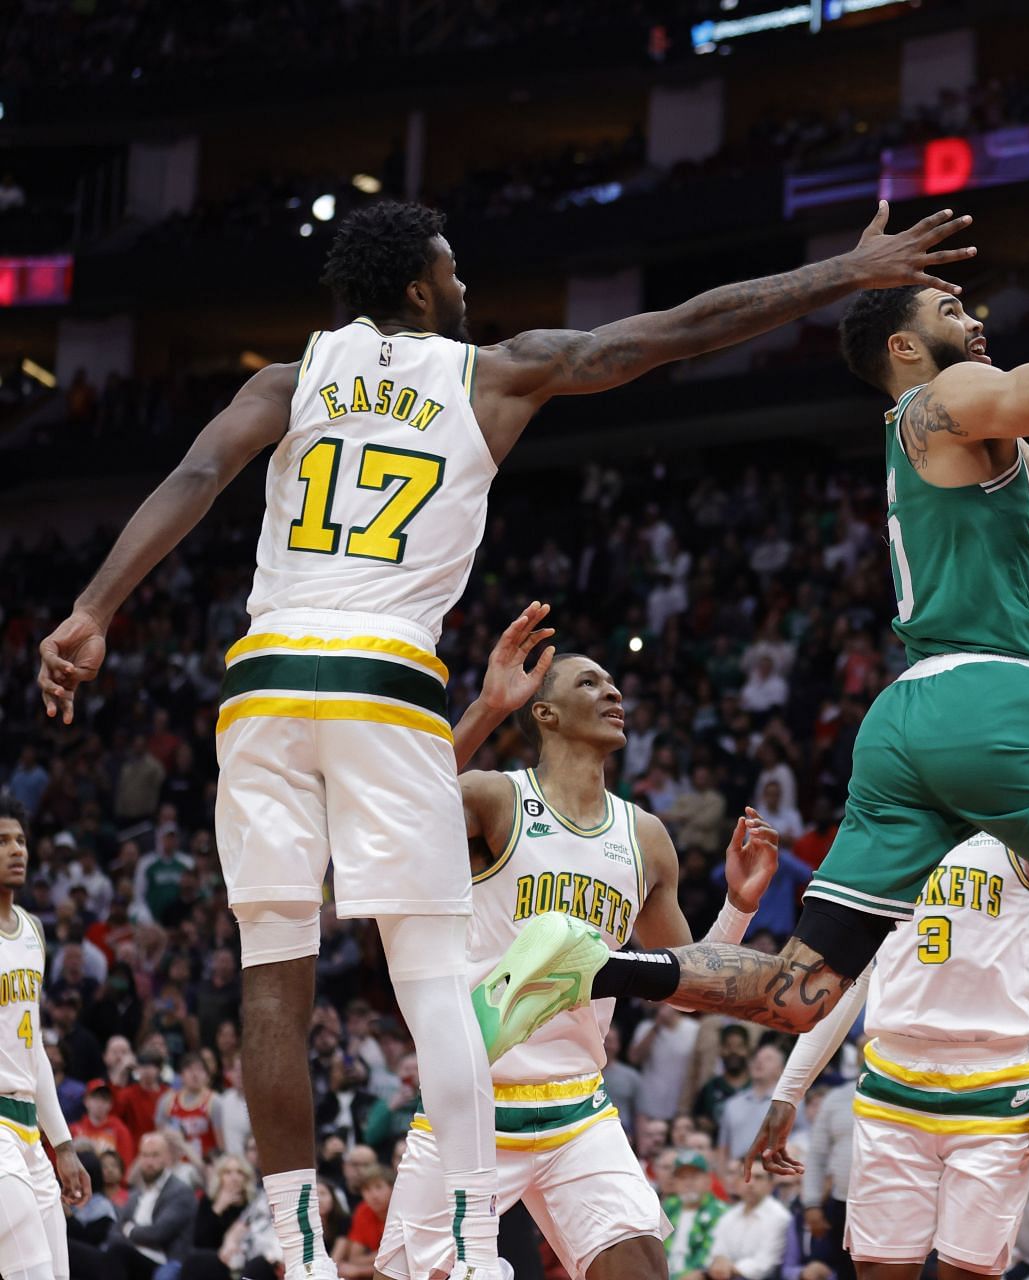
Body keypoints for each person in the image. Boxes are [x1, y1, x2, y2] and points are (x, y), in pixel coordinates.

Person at [36, 198, 969, 1280]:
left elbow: (197, 479)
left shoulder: (284, 382)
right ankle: (475, 1239)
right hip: (382, 671)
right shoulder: (492, 371)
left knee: (271, 973)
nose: (467, 287)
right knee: (435, 976)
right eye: (455, 271)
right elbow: (667, 332)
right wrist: (841, 276)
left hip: (265, 674)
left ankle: (290, 1234)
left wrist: (95, 608)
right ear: (425, 289)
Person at [483, 110, 1029, 1176]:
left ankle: (588, 960)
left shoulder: (968, 440)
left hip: (906, 723)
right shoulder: (943, 400)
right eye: (954, 305)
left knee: (803, 987)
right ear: (906, 345)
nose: (977, 316)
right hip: (991, 701)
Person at [377, 612, 780, 1280]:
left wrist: (738, 907)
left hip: (577, 1109)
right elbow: (397, 812)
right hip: (472, 1099)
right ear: (545, 713)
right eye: (591, 683)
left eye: (616, 685)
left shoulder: (645, 835)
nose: (613, 693)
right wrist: (484, 707)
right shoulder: (496, 799)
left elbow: (682, 989)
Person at [745, 829, 1029, 1280]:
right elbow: (851, 977)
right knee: (878, 1271)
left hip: (996, 1092)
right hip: (893, 1086)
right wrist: (788, 1091)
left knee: (968, 1274)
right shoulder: (888, 829)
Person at [0, 797, 91, 1280]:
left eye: (20, 840)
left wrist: (65, 1145)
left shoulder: (33, 931)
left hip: (31, 1128)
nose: (16, 850)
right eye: (1, 841)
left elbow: (32, 1047)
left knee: (57, 1274)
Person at [108, 1132, 197, 1280]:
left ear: (167, 1158)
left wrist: (129, 1230)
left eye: (155, 1155)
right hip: (132, 1255)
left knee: (118, 1253)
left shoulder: (181, 1192)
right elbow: (114, 1232)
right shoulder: (137, 1194)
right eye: (144, 1155)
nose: (149, 1162)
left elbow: (158, 1233)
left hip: (163, 1262)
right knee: (77, 1251)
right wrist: (127, 1232)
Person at [701, 1166, 791, 1280]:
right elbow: (716, 1253)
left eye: (758, 1177)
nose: (750, 1183)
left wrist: (729, 1268)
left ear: (770, 1185)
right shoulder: (729, 1216)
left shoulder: (779, 1217)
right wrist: (719, 1261)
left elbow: (764, 1266)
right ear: (737, 1182)